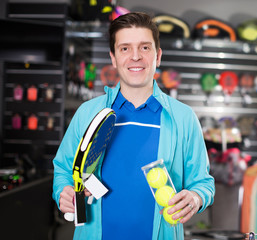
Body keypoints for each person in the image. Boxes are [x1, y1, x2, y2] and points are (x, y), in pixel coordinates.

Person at [52, 12, 215, 240]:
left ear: (158, 56)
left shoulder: (184, 118)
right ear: (113, 57)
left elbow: (203, 182)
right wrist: (63, 192)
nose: (135, 56)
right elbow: (63, 171)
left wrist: (195, 198)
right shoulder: (87, 113)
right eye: (125, 48)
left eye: (145, 48)